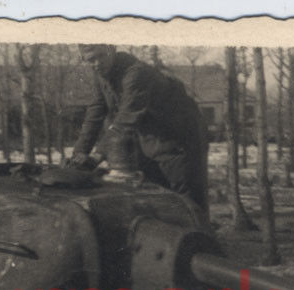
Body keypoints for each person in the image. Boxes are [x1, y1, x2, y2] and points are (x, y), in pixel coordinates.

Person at [69, 44, 209, 213]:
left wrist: (97, 156)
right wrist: (78, 154)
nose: (97, 63)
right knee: (157, 202)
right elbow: (95, 113)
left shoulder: (136, 73)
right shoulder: (101, 76)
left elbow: (126, 119)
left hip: (180, 141)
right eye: (91, 59)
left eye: (101, 56)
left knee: (188, 204)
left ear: (112, 50)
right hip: (149, 142)